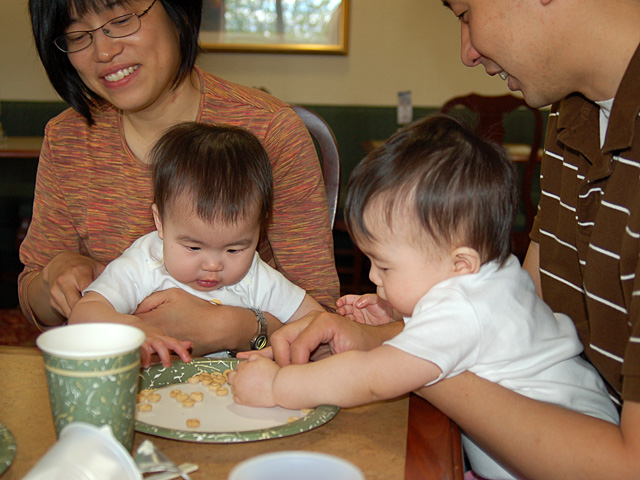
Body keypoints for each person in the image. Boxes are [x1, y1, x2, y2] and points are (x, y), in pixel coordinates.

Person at [247, 1, 640, 478]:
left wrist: (280, 386)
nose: (467, 52)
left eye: (464, 12)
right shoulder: (569, 115)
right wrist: (386, 334)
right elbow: (506, 327)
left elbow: (377, 379)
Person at [228, 115, 619, 479]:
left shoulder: (461, 308)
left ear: (459, 263)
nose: (371, 276)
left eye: (385, 266)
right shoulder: (493, 276)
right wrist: (404, 317)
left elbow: (372, 379)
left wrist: (277, 386)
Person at [20, 0, 339, 356]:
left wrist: (233, 326)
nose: (104, 51)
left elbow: (325, 323)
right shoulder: (68, 138)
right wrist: (54, 276)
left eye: (122, 20)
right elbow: (34, 297)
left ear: (180, 12)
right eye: (78, 35)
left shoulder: (268, 130)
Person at [69, 123, 324, 367]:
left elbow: (317, 321)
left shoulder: (255, 276)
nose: (213, 265)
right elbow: (82, 315)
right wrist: (128, 327)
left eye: (234, 249)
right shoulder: (145, 263)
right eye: (193, 248)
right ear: (160, 222)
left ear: (260, 229)